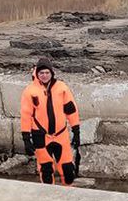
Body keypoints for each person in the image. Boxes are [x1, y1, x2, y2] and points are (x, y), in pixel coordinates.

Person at [20, 57, 82, 186]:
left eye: (47, 72)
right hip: (40, 136)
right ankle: (48, 197)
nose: (44, 75)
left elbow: (71, 110)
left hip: (61, 135)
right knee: (46, 169)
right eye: (41, 73)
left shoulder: (62, 88)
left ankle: (68, 194)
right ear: (37, 73)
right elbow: (26, 115)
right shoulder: (30, 91)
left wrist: (76, 132)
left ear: (52, 73)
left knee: (68, 170)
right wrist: (26, 139)